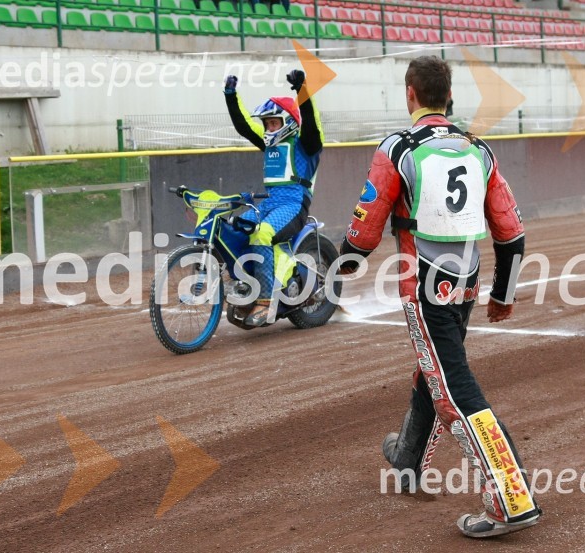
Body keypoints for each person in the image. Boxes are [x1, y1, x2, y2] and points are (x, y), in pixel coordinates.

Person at [338, 56, 542, 538]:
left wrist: (339, 267)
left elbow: (364, 230)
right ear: (448, 97)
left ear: (410, 94)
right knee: (435, 369)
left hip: (424, 286)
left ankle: (510, 499)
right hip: (465, 285)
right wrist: (503, 293)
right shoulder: (479, 150)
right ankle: (407, 458)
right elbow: (511, 234)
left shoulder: (397, 148)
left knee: (453, 387)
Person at [223, 69, 323, 326]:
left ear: (288, 121)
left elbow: (311, 120)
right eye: (267, 124)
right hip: (269, 203)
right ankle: (246, 288)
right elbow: (244, 125)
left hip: (294, 205)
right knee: (234, 229)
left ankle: (266, 302)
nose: (268, 128)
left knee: (262, 234)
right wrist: (230, 94)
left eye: (273, 123)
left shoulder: (306, 144)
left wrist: (301, 88)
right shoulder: (269, 143)